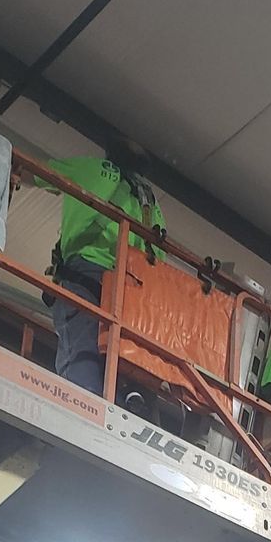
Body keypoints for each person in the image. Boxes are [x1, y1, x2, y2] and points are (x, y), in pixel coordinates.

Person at [39, 155, 164, 397]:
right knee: (122, 365)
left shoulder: (90, 167)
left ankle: (80, 407)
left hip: (86, 275)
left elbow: (33, 171)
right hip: (134, 292)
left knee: (82, 355)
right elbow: (159, 262)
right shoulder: (153, 207)